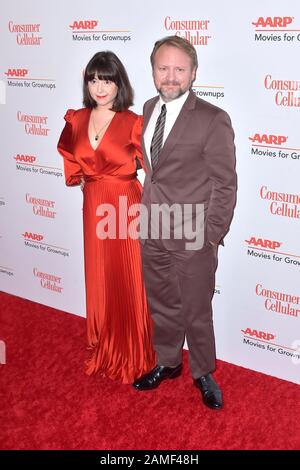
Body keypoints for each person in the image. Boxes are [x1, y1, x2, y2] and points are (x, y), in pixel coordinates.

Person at [132, 36, 237, 409]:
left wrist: (211, 236)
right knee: (162, 302)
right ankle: (168, 362)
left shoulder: (212, 119)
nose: (171, 76)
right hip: (152, 227)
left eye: (179, 69)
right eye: (163, 68)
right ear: (154, 71)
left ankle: (204, 372)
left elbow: (225, 184)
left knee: (196, 308)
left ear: (193, 73)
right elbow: (155, 172)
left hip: (194, 235)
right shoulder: (146, 108)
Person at [57, 51, 155, 384]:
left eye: (107, 79)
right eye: (94, 79)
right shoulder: (76, 119)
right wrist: (87, 178)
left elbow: (153, 166)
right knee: (100, 274)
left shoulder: (132, 121)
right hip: (94, 202)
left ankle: (133, 347)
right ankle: (103, 339)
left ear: (119, 82)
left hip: (125, 204)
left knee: (127, 276)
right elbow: (72, 163)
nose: (100, 87)